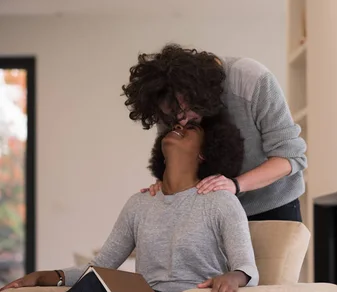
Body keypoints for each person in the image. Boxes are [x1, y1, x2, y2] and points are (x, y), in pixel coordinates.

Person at [0, 112, 258, 292]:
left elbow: (248, 269)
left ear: (204, 152)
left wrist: (234, 277)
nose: (179, 125)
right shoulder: (139, 204)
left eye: (191, 127)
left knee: (94, 288)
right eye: (179, 123)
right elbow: (101, 267)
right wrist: (47, 276)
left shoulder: (221, 201)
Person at [122, 44, 307, 222]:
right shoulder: (167, 104)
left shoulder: (251, 80)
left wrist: (235, 185)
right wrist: (165, 185)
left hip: (272, 207)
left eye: (186, 112)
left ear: (199, 93)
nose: (181, 122)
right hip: (212, 212)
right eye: (171, 116)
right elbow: (174, 160)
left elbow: (290, 157)